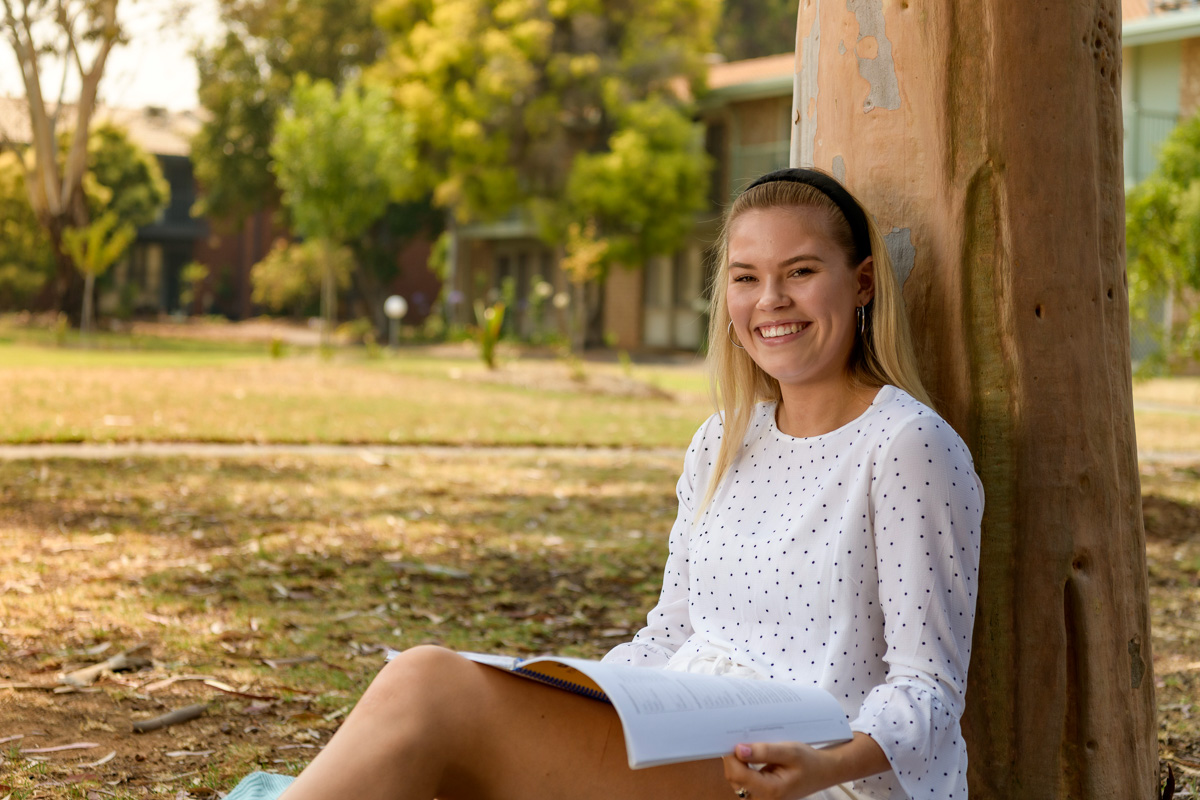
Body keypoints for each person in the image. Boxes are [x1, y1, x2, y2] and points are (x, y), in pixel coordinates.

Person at [269, 168, 984, 800]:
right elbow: (671, 633)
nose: (770, 300)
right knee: (436, 698)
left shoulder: (906, 446)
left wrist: (821, 764)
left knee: (430, 687)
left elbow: (927, 687)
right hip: (684, 744)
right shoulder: (722, 440)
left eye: (799, 272)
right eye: (745, 278)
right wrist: (575, 687)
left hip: (813, 780)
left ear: (861, 282)